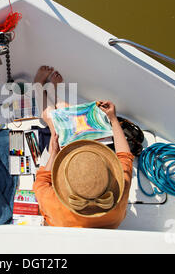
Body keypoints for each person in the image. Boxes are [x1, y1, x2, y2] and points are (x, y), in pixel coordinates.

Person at [32, 66, 134, 228]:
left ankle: (39, 86)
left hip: (56, 153)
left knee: (54, 124)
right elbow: (125, 156)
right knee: (65, 113)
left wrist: (54, 153)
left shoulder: (53, 203)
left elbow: (41, 181)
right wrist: (113, 120)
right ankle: (52, 92)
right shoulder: (118, 195)